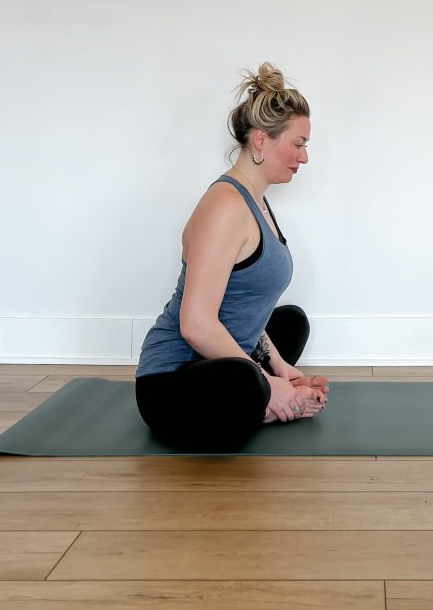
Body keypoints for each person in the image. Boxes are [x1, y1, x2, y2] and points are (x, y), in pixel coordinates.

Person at [135, 62, 329, 451]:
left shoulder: (256, 201)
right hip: (173, 381)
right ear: (261, 141)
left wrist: (281, 370)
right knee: (244, 384)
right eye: (299, 143)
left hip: (228, 365)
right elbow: (195, 326)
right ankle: (264, 403)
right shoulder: (224, 206)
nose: (304, 157)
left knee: (291, 322)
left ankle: (264, 400)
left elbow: (245, 308)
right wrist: (267, 382)